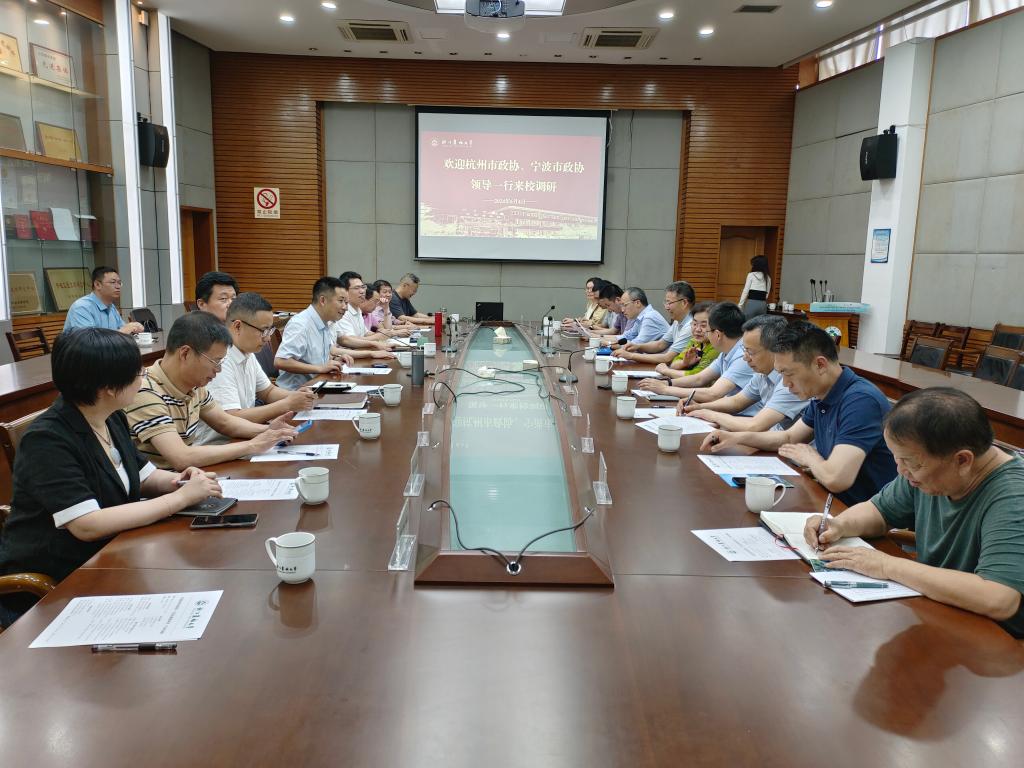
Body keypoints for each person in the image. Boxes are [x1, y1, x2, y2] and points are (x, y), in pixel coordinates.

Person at [0, 329, 222, 627]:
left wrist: (182, 482)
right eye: (137, 373)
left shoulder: (111, 417)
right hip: (54, 585)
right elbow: (87, 525)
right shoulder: (47, 439)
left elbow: (144, 477)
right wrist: (180, 498)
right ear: (108, 387)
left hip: (109, 558)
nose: (143, 378)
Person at [803, 388, 1024, 638]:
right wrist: (839, 525)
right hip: (937, 611)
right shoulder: (928, 470)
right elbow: (879, 511)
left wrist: (887, 565)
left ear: (963, 460)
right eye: (897, 459)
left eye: (910, 462)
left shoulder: (1013, 495)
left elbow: (999, 598)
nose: (901, 471)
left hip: (995, 641)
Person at [701, 321, 897, 506]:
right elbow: (789, 437)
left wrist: (809, 456)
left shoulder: (861, 401)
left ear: (820, 365)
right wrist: (736, 438)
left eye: (789, 374)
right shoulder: (822, 393)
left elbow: (836, 478)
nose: (786, 384)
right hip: (829, 501)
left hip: (858, 513)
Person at [125, 311, 297, 469]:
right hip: (162, 486)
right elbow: (181, 457)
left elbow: (225, 422)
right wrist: (253, 445)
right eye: (216, 361)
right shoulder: (145, 391)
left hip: (189, 479)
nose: (218, 370)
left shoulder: (194, 386)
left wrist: (270, 431)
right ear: (185, 353)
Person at [193, 292, 319, 445]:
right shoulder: (220, 360)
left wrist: (298, 397)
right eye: (263, 330)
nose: (267, 338)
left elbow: (268, 391)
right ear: (238, 326)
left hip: (247, 438)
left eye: (270, 330)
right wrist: (287, 404)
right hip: (221, 446)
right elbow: (232, 418)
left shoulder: (247, 352)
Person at [684, 314, 807, 431]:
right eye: (744, 350)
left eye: (751, 352)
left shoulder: (790, 381)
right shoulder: (762, 373)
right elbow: (737, 402)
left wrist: (709, 414)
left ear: (775, 350)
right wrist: (700, 407)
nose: (745, 357)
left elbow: (755, 425)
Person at [639, 302, 754, 407]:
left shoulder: (743, 356)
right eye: (694, 324)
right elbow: (699, 378)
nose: (699, 330)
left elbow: (713, 394)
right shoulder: (727, 351)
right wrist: (667, 383)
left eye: (706, 329)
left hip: (742, 417)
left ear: (718, 334)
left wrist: (665, 389)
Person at [274, 277, 357, 390]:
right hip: (296, 392)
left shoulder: (324, 322)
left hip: (318, 386)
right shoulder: (301, 324)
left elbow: (317, 358)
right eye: (341, 301)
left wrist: (336, 360)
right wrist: (320, 368)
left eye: (346, 302)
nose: (345, 308)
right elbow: (281, 361)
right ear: (323, 300)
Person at [616, 281, 695, 365]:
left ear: (684, 303)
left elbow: (668, 358)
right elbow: (660, 344)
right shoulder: (677, 322)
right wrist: (638, 346)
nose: (666, 307)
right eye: (666, 302)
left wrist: (631, 355)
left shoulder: (690, 326)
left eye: (669, 303)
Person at [63, 266, 144, 334]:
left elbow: (123, 329)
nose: (118, 286)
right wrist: (123, 331)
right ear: (97, 285)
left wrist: (134, 328)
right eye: (113, 282)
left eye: (119, 283)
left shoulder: (111, 307)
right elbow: (88, 341)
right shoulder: (82, 307)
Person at [334, 271, 396, 358]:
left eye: (363, 287)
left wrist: (383, 335)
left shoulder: (357, 309)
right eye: (357, 288)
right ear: (345, 291)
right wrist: (377, 338)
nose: (362, 291)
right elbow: (348, 340)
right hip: (350, 356)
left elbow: (365, 333)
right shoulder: (342, 311)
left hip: (357, 354)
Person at [653, 302, 718, 379]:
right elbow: (674, 364)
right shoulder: (694, 342)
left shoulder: (716, 347)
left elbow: (697, 377)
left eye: (703, 326)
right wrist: (684, 363)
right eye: (694, 324)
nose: (697, 329)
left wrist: (666, 371)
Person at [738, 255, 771, 320]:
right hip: (762, 305)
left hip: (752, 303)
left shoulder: (751, 275)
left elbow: (745, 291)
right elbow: (767, 295)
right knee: (760, 324)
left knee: (748, 323)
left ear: (756, 265)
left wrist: (740, 305)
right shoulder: (768, 278)